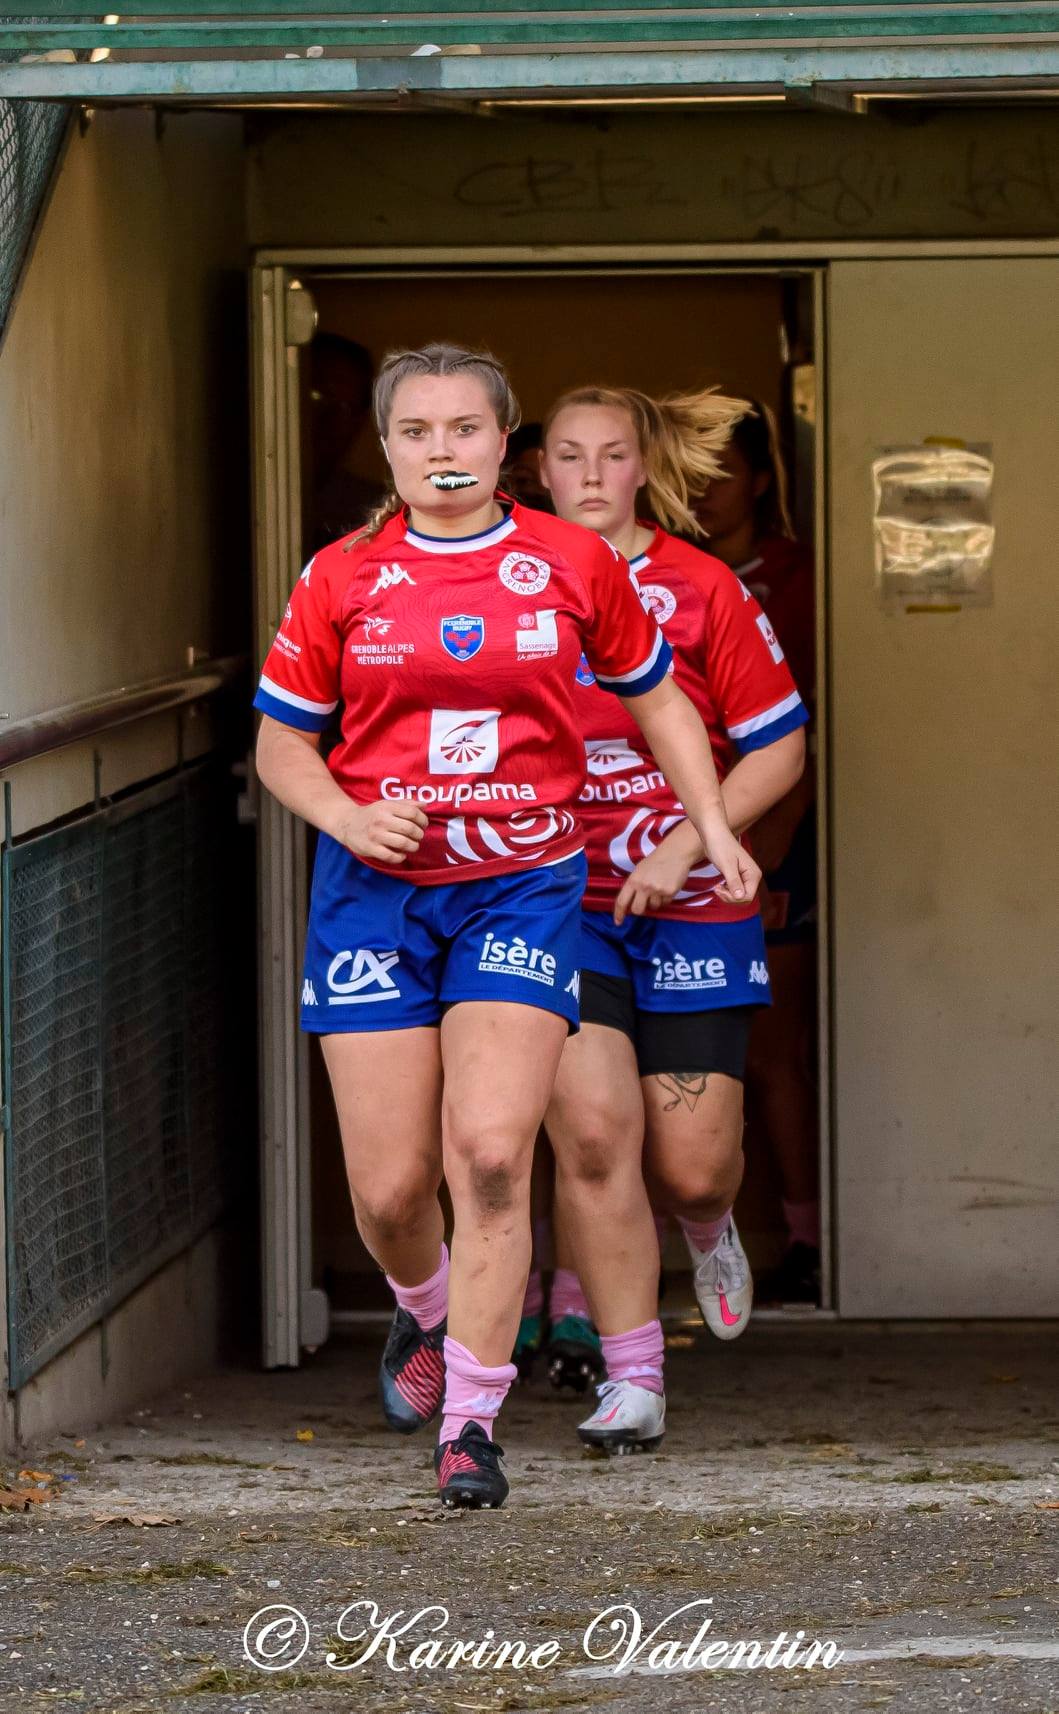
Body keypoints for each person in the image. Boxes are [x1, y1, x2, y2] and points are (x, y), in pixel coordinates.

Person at [253, 342, 758, 1510]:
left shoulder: (570, 561)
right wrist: (342, 809)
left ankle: (470, 1427)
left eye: (465, 430)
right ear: (388, 448)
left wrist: (708, 824)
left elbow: (661, 701)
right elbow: (283, 740)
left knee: (487, 1154)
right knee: (389, 1192)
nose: (443, 451)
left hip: (524, 887)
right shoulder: (342, 576)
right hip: (374, 895)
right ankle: (423, 1313)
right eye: (418, 432)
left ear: (502, 445)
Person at [538, 385, 808, 1453]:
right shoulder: (509, 587)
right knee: (597, 1136)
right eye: (571, 456)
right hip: (556, 906)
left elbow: (781, 748)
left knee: (690, 1161)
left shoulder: (701, 589)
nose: (594, 474)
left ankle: (707, 1225)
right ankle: (633, 1379)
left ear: (643, 468)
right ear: (542, 471)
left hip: (691, 903)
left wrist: (684, 845)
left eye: (614, 455)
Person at [691, 405, 820, 1303]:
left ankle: (807, 1240)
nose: (706, 491)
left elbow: (799, 736)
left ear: (763, 479)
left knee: (771, 1050)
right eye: (690, 473)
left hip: (771, 842)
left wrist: (766, 861)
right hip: (665, 848)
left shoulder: (795, 576)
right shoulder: (659, 573)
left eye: (723, 471)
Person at [307, 332, 386, 549]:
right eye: (318, 399)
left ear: (360, 420)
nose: (329, 419)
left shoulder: (377, 513)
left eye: (345, 408)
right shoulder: (259, 492)